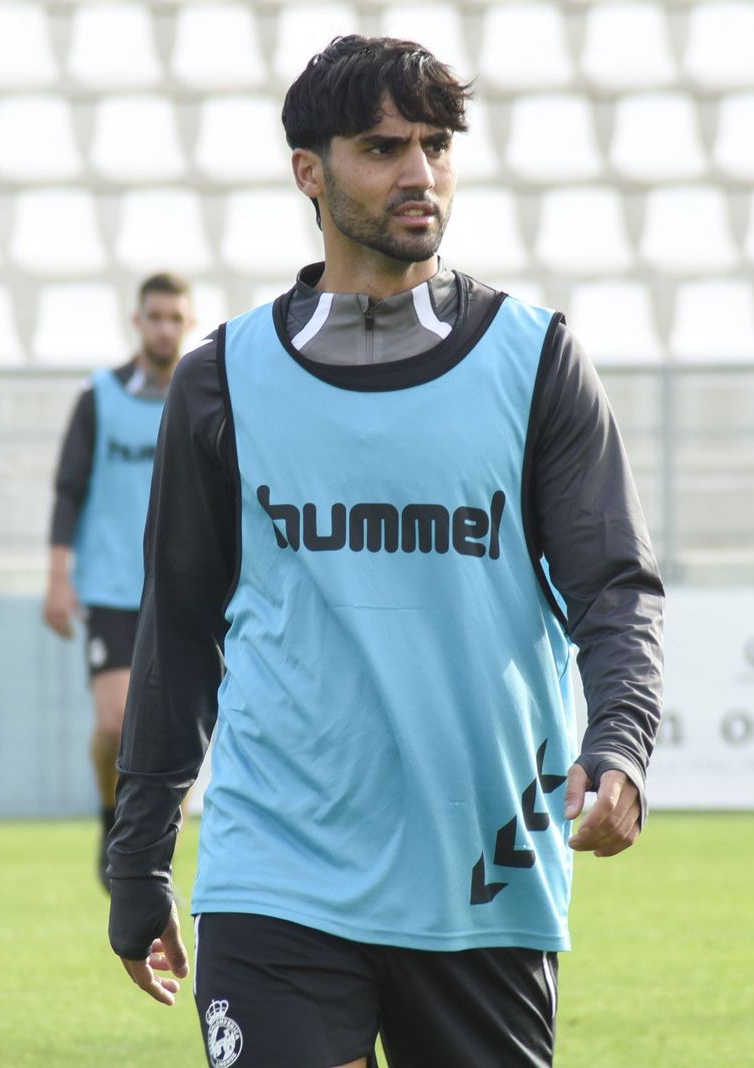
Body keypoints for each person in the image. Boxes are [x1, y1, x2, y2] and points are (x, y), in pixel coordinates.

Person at [108, 36, 664, 1067]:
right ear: (308, 172)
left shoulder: (535, 358)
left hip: (482, 873)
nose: (420, 174)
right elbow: (179, 631)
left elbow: (613, 586)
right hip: (276, 867)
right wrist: (137, 857)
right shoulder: (220, 381)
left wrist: (623, 740)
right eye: (382, 147)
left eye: (437, 145)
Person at [44, 272, 196, 893]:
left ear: (189, 324)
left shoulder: (203, 393)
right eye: (154, 316)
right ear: (137, 323)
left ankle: (150, 850)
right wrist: (57, 577)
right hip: (111, 588)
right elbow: (69, 489)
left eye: (175, 318)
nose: (164, 327)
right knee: (115, 725)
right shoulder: (100, 396)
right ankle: (112, 817)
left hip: (186, 591)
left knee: (180, 734)